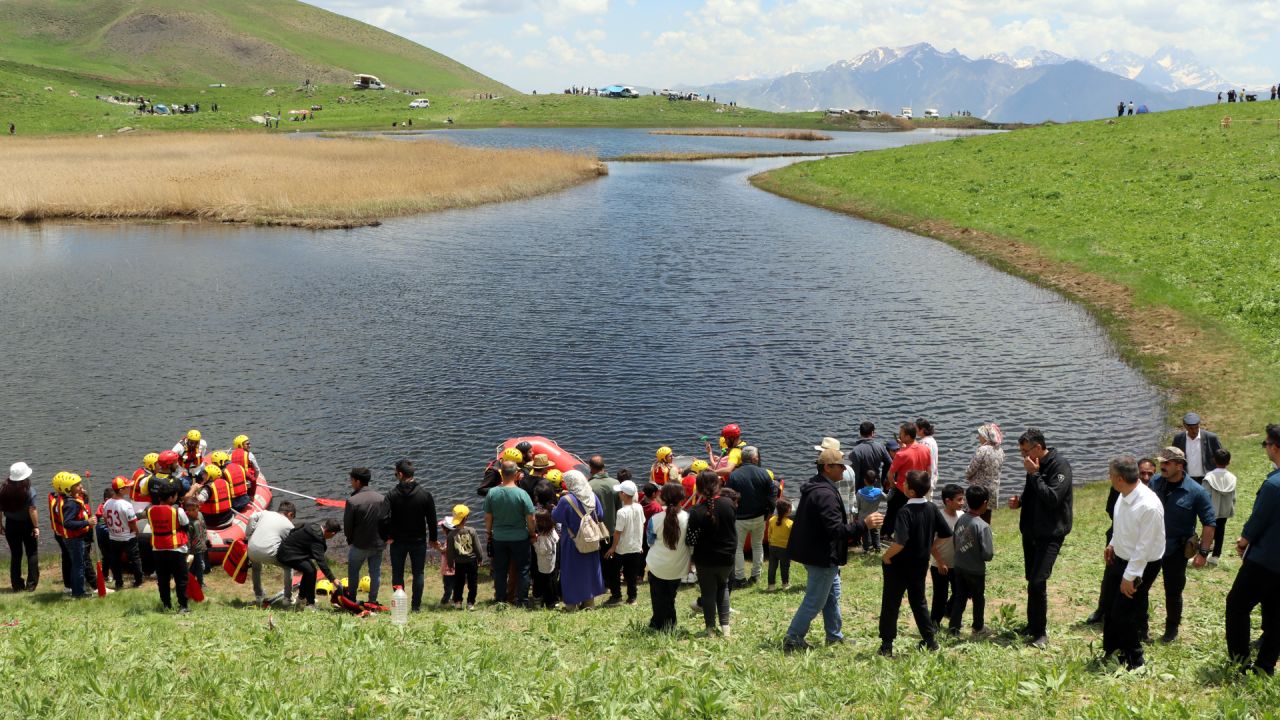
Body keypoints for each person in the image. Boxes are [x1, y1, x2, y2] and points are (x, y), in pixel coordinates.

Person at [783, 448, 883, 651]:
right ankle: (793, 639)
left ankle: (834, 636)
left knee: (832, 595)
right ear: (827, 467)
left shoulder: (819, 486)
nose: (844, 468)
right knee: (815, 601)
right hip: (821, 555)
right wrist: (865, 524)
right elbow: (836, 530)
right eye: (840, 465)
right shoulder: (825, 494)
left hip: (816, 551)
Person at [1008, 427, 1072, 648]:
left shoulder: (1059, 465)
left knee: (1038, 581)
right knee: (1031, 579)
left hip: (1050, 533)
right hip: (1031, 531)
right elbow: (1033, 492)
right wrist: (1020, 502)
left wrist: (1035, 474)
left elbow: (1053, 498)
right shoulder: (1032, 465)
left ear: (1038, 447)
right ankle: (1032, 625)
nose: (1023, 456)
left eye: (1025, 451)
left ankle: (1041, 633)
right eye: (1021, 452)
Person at [1100, 455, 1165, 670]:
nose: (1108, 478)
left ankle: (1135, 660)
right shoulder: (1123, 493)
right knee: (1109, 606)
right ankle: (1112, 651)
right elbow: (1121, 524)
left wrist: (1130, 577)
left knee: (1123, 613)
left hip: (1141, 565)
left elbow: (1144, 547)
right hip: (1120, 556)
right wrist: (1112, 543)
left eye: (1110, 475)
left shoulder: (1148, 505)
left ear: (1119, 478)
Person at [878, 470, 952, 656]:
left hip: (899, 565)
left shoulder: (905, 511)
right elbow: (945, 533)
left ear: (910, 491)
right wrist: (929, 546)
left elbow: (900, 542)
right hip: (920, 564)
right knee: (919, 602)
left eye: (905, 484)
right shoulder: (932, 508)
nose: (902, 485)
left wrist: (886, 556)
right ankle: (930, 641)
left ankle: (887, 645)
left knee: (891, 603)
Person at [1226, 423, 1280, 675]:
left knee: (1237, 605)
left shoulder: (1273, 485)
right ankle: (1266, 665)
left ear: (1276, 447)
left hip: (1264, 560)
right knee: (1276, 614)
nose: (1265, 448)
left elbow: (1258, 521)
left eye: (1266, 444)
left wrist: (1244, 540)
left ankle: (1240, 661)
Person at [1149, 446, 1215, 644]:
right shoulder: (1155, 482)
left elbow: (1209, 523)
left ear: (1180, 465)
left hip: (1176, 550)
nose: (1162, 466)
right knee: (1140, 586)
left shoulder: (1196, 492)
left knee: (1173, 591)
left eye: (1167, 463)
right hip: (1151, 546)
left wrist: (1203, 552)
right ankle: (1140, 627)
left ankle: (1171, 629)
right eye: (1161, 463)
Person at [687, 470, 737, 637]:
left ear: (699, 489)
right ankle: (726, 628)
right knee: (723, 588)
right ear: (718, 485)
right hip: (727, 557)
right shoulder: (729, 504)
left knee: (708, 593)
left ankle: (710, 629)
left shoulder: (695, 511)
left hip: (705, 559)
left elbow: (690, 539)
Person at [386, 459, 438, 612]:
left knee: (397, 573)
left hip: (397, 541)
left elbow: (383, 517)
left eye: (396, 473)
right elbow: (432, 519)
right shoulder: (424, 495)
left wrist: (387, 535)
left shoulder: (391, 495)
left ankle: (399, 605)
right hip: (418, 540)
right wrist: (433, 539)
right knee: (418, 574)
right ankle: (416, 606)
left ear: (400, 474)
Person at [483, 460, 536, 606]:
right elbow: (531, 518)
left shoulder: (492, 493)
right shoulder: (522, 494)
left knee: (500, 570)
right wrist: (532, 534)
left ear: (501, 473)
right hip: (520, 537)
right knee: (523, 570)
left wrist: (489, 533)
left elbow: (488, 517)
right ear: (516, 474)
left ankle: (500, 599)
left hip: (499, 537)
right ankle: (522, 600)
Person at [552, 470, 605, 610]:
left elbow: (556, 517)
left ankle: (571, 604)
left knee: (571, 571)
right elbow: (600, 514)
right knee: (589, 571)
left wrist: (554, 508)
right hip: (590, 539)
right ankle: (589, 603)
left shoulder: (566, 500)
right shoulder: (592, 496)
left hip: (572, 541)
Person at [727, 446, 777, 587]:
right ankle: (756, 575)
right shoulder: (764, 474)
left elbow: (729, 496)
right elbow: (772, 495)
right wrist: (770, 512)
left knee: (738, 548)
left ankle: (740, 578)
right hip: (760, 517)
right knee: (757, 545)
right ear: (755, 459)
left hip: (740, 518)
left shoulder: (734, 475)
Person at [948, 485, 994, 637]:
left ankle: (953, 628)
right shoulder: (983, 526)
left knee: (960, 597)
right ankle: (978, 627)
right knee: (978, 599)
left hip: (959, 566)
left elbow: (955, 540)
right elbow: (988, 554)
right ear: (985, 503)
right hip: (975, 570)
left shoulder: (961, 519)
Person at [645, 483, 692, 631]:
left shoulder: (655, 519)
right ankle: (669, 623)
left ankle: (660, 624)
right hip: (678, 567)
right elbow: (690, 543)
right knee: (670, 596)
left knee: (658, 597)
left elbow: (649, 542)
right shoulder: (688, 518)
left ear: (663, 498)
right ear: (682, 499)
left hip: (657, 565)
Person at [344, 467, 388, 603]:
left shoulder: (352, 501)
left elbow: (348, 526)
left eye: (351, 480)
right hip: (378, 544)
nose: (351, 482)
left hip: (359, 544)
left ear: (357, 481)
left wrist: (350, 540)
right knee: (375, 573)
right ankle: (373, 600)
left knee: (353, 572)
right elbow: (387, 521)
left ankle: (352, 598)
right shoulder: (382, 499)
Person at [49, 471, 95, 598]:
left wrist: (81, 495)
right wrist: (87, 522)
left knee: (76, 565)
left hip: (69, 538)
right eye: (77, 485)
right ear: (69, 489)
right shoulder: (71, 504)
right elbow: (68, 523)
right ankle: (79, 593)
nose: (81, 487)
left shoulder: (63, 499)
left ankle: (76, 590)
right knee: (78, 566)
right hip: (75, 539)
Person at [278, 519, 340, 608]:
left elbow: (294, 529)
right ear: (333, 533)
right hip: (287, 555)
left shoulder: (312, 525)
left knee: (310, 569)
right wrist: (333, 579)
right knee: (311, 571)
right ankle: (310, 604)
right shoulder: (317, 540)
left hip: (287, 550)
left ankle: (301, 597)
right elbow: (321, 562)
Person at [147, 485, 190, 612]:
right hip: (176, 549)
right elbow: (186, 525)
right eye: (175, 496)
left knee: (163, 579)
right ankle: (183, 606)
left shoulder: (149, 511)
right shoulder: (178, 511)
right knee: (181, 579)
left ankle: (166, 605)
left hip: (158, 549)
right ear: (171, 497)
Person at [246, 501, 296, 606]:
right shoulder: (289, 525)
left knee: (256, 567)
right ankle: (288, 598)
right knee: (289, 566)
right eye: (293, 517)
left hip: (251, 550)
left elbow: (251, 517)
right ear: (290, 514)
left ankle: (259, 596)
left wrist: (248, 535)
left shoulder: (265, 513)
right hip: (268, 553)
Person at [885, 422, 931, 535]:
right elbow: (928, 471)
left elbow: (890, 474)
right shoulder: (925, 449)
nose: (899, 436)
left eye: (901, 434)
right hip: (919, 488)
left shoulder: (901, 454)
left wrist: (893, 484)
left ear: (908, 436)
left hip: (903, 489)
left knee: (893, 512)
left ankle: (885, 534)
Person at [587, 455, 622, 603]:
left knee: (598, 559)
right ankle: (615, 591)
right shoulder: (615, 483)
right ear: (604, 467)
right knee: (612, 562)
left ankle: (602, 585)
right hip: (613, 529)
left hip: (595, 530)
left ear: (591, 468)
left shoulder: (589, 486)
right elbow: (620, 508)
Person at [605, 479, 645, 605]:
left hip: (621, 548)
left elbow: (617, 532)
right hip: (635, 546)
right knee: (631, 574)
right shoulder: (639, 507)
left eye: (620, 492)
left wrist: (612, 548)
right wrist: (640, 543)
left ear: (624, 494)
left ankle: (616, 596)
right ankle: (632, 598)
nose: (619, 494)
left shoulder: (621, 512)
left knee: (614, 572)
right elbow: (642, 525)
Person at [929, 484, 964, 629]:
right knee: (940, 596)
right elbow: (931, 544)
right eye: (959, 500)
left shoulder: (962, 516)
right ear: (947, 501)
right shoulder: (939, 517)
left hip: (957, 565)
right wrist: (940, 562)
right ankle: (934, 622)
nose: (962, 503)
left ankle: (950, 613)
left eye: (963, 499)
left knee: (959, 593)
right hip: (940, 565)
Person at [1, 461, 39, 592]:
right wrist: (36, 527)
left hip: (11, 524)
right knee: (32, 553)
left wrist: (0, 525)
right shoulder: (30, 491)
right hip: (28, 525)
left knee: (16, 555)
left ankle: (17, 585)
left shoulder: (3, 491)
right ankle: (31, 584)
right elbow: (32, 510)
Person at [101, 477, 143, 590]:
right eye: (127, 487)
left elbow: (105, 519)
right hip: (128, 537)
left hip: (114, 536)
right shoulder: (126, 505)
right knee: (135, 559)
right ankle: (139, 581)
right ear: (120, 490)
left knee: (115, 560)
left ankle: (118, 582)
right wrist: (137, 532)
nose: (129, 488)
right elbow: (132, 523)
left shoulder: (107, 503)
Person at [964, 423, 1004, 522]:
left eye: (980, 435)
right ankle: (985, 533)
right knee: (986, 514)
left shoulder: (983, 450)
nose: (979, 437)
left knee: (973, 514)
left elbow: (972, 469)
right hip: (993, 488)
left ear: (986, 436)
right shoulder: (1000, 450)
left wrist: (967, 475)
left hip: (979, 489)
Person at [447, 505, 483, 609]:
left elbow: (450, 552)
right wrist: (480, 558)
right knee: (473, 583)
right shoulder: (472, 531)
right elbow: (478, 547)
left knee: (458, 583)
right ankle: (470, 603)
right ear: (466, 518)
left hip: (459, 563)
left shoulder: (451, 535)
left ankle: (458, 602)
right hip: (472, 561)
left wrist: (450, 564)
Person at [1205, 449, 1238, 564]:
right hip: (1225, 510)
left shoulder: (1209, 477)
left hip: (1210, 510)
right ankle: (1216, 555)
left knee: (1208, 530)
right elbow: (1233, 496)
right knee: (1220, 531)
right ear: (1229, 462)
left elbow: (1205, 495)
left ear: (1214, 460)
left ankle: (1204, 552)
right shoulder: (1232, 478)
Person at [1173, 412, 1222, 483]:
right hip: (1186, 479)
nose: (1194, 431)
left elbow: (1220, 458)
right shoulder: (1178, 439)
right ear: (1185, 426)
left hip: (1207, 478)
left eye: (1196, 427)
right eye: (1191, 428)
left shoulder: (1211, 438)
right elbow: (1174, 459)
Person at [847, 422, 893, 492]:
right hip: (876, 484)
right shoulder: (880, 447)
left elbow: (855, 474)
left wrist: (854, 491)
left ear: (860, 433)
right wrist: (884, 478)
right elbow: (889, 463)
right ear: (872, 433)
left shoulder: (856, 451)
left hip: (861, 488)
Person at [530, 508, 558, 609]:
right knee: (551, 580)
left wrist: (534, 543)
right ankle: (553, 601)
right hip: (551, 561)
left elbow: (541, 551)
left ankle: (546, 602)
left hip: (543, 564)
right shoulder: (552, 531)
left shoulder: (543, 537)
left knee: (542, 583)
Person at [192, 464, 234, 529]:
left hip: (213, 522)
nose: (203, 476)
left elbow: (199, 501)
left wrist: (194, 491)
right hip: (228, 518)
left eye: (205, 474)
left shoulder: (208, 488)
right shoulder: (225, 483)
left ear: (210, 477)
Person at [767, 498, 793, 590]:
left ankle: (771, 585)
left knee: (772, 567)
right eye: (790, 507)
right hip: (784, 548)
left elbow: (769, 533)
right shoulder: (790, 523)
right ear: (787, 510)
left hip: (772, 547)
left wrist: (770, 542)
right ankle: (785, 584)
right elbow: (792, 538)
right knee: (785, 566)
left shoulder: (772, 520)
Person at [856, 470, 884, 553]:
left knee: (865, 533)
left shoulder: (859, 493)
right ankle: (877, 547)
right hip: (875, 516)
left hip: (863, 518)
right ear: (875, 480)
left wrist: (856, 516)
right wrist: (892, 490)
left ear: (864, 480)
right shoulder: (879, 492)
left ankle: (866, 548)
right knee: (875, 532)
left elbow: (858, 506)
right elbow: (888, 498)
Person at [184, 498, 207, 590]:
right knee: (200, 566)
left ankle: (198, 583)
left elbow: (204, 528)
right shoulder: (189, 522)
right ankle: (200, 584)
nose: (191, 512)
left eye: (193, 510)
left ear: (198, 508)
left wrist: (205, 539)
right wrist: (189, 551)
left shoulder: (201, 515)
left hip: (202, 546)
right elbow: (188, 538)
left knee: (199, 566)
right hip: (194, 549)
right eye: (188, 510)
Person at [916, 418, 940, 490]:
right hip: (933, 477)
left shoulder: (923, 443)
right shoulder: (932, 440)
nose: (915, 430)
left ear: (922, 430)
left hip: (924, 480)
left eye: (916, 428)